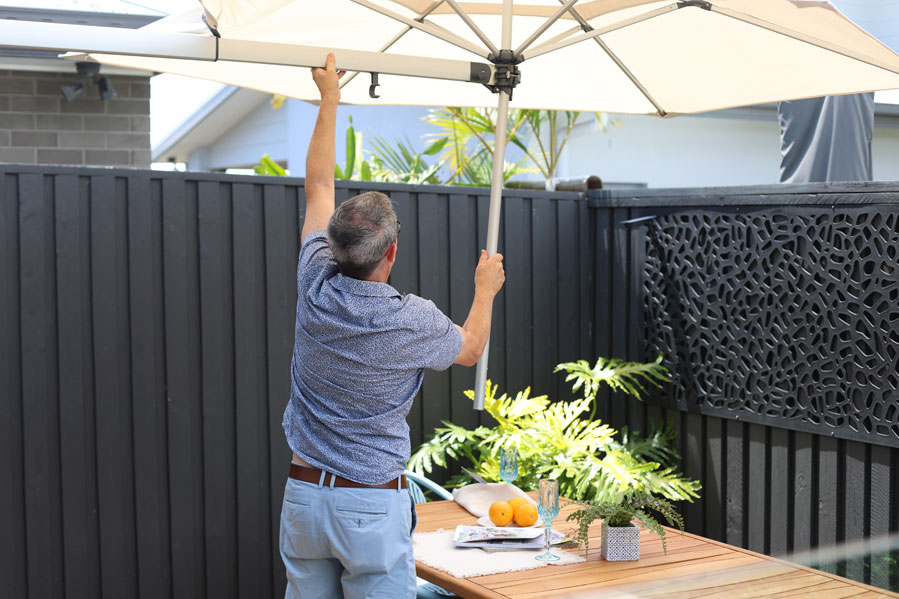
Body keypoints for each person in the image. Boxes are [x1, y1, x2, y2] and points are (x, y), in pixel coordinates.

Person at [279, 53, 506, 599]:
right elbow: (471, 349)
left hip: (304, 498)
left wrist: (328, 98)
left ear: (333, 248)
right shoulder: (411, 320)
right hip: (369, 507)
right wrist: (484, 289)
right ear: (392, 252)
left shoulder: (315, 282)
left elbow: (317, 189)